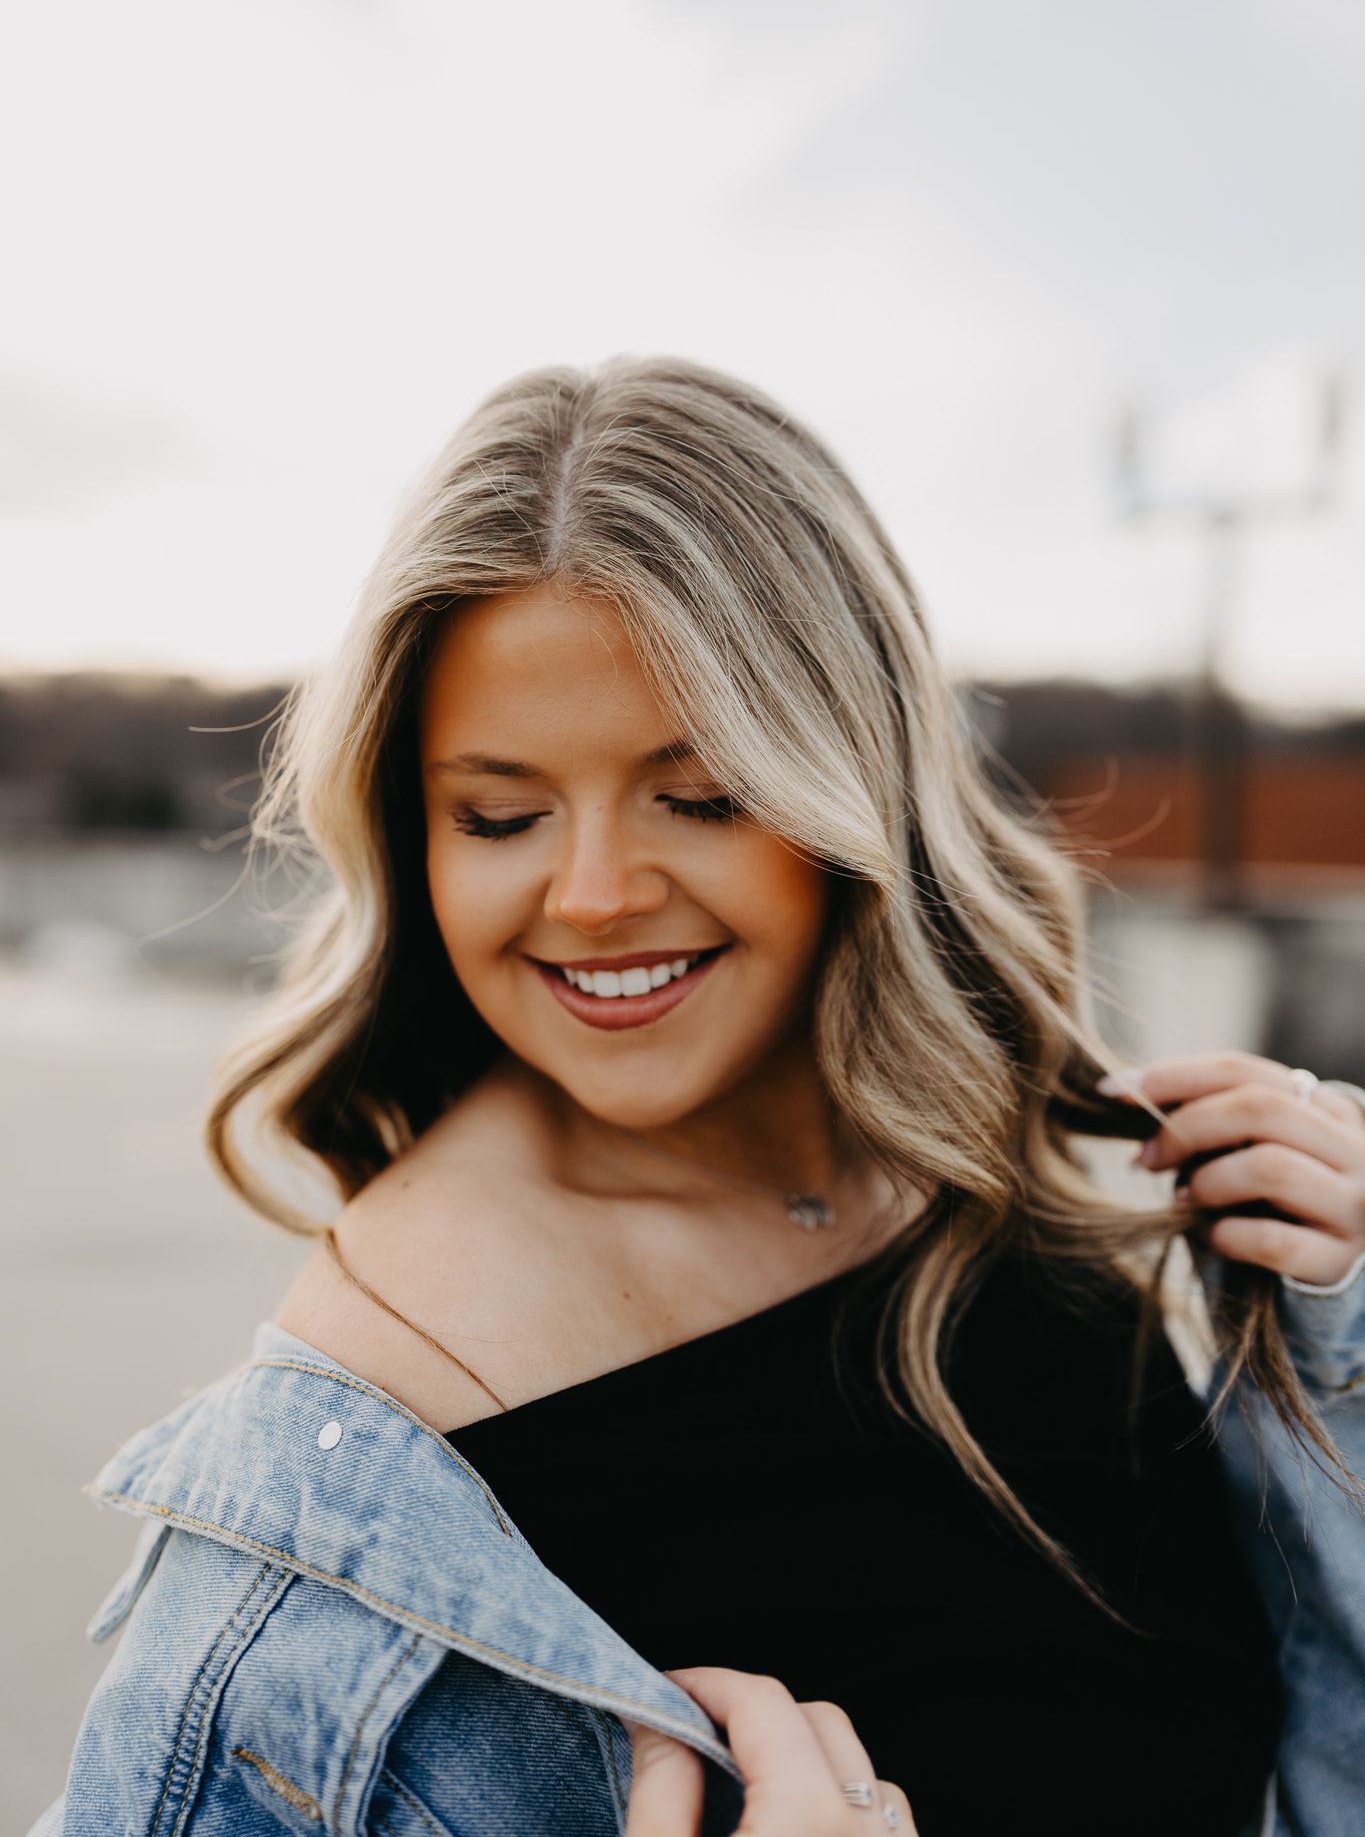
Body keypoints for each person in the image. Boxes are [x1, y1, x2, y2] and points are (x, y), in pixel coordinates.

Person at [28, 357, 1365, 1837]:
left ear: (853, 788)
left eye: (701, 794)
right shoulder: (339, 1494)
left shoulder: (995, 1183)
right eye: (500, 814)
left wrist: (1342, 1338)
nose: (593, 894)